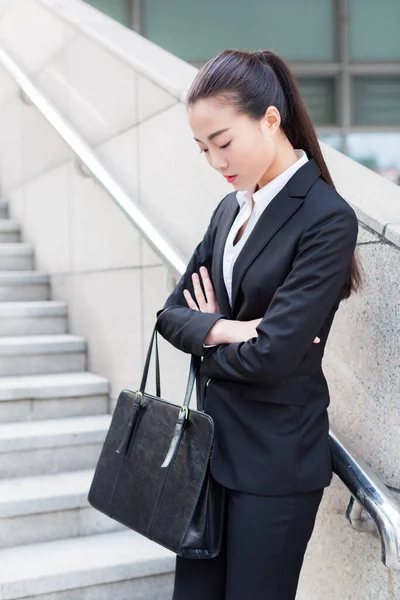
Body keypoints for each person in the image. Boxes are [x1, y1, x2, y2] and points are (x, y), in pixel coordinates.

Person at [156, 48, 363, 600]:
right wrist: (227, 328)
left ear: (271, 120)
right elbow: (169, 316)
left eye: (223, 142)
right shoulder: (229, 210)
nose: (214, 161)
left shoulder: (326, 218)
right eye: (203, 149)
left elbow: (272, 357)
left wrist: (207, 333)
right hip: (209, 457)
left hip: (275, 468)